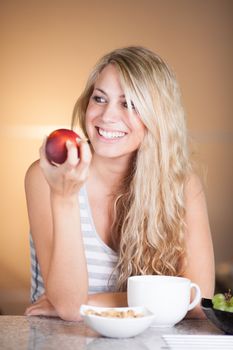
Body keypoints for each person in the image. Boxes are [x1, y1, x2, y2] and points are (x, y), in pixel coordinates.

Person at [24, 46, 215, 321]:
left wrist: (88, 303)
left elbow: (198, 301)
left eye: (129, 104)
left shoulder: (183, 186)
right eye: (100, 99)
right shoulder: (48, 176)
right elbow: (67, 306)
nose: (107, 116)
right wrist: (64, 198)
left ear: (156, 117)